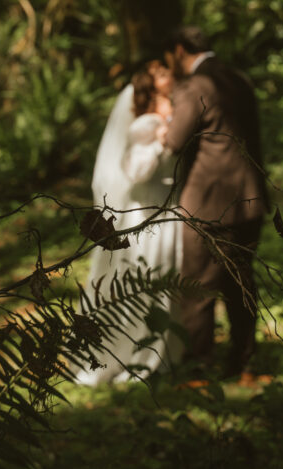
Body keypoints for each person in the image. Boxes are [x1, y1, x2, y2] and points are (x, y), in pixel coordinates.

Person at [163, 26, 270, 378]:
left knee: (197, 287)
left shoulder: (197, 87)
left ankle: (198, 369)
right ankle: (243, 360)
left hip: (210, 203)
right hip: (250, 199)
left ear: (179, 51)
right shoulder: (238, 79)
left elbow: (175, 142)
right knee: (241, 283)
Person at [76, 61, 183, 385]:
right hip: (144, 209)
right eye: (162, 74)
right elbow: (135, 172)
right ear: (149, 84)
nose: (169, 77)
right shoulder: (146, 120)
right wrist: (161, 139)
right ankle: (126, 352)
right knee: (138, 276)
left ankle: (161, 352)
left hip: (169, 208)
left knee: (166, 276)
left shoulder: (178, 104)